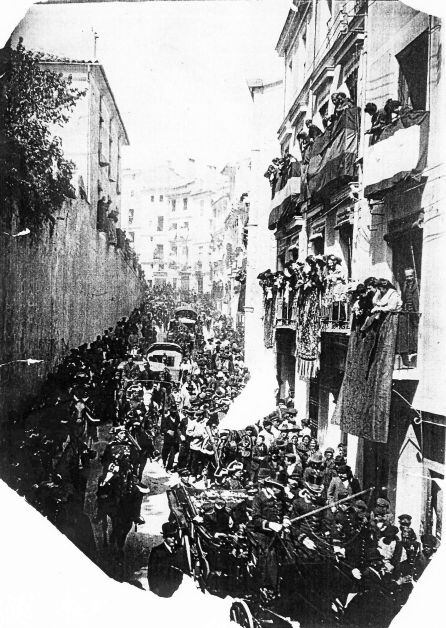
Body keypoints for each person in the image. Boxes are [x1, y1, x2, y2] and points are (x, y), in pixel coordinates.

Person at [147, 522, 185, 597]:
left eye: (174, 536)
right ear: (164, 537)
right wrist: (155, 591)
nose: (173, 539)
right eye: (170, 536)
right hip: (162, 592)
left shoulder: (180, 549)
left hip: (178, 592)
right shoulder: (157, 551)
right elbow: (151, 574)